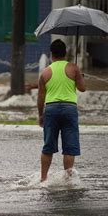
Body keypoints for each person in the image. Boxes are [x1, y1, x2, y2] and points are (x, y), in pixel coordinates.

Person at [37, 39, 86, 182]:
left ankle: (43, 179)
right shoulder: (73, 68)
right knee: (70, 147)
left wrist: (41, 115)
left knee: (48, 147)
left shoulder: (45, 72)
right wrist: (80, 76)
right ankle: (68, 180)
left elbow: (40, 98)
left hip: (51, 109)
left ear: (51, 54)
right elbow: (82, 88)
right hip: (69, 109)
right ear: (65, 53)